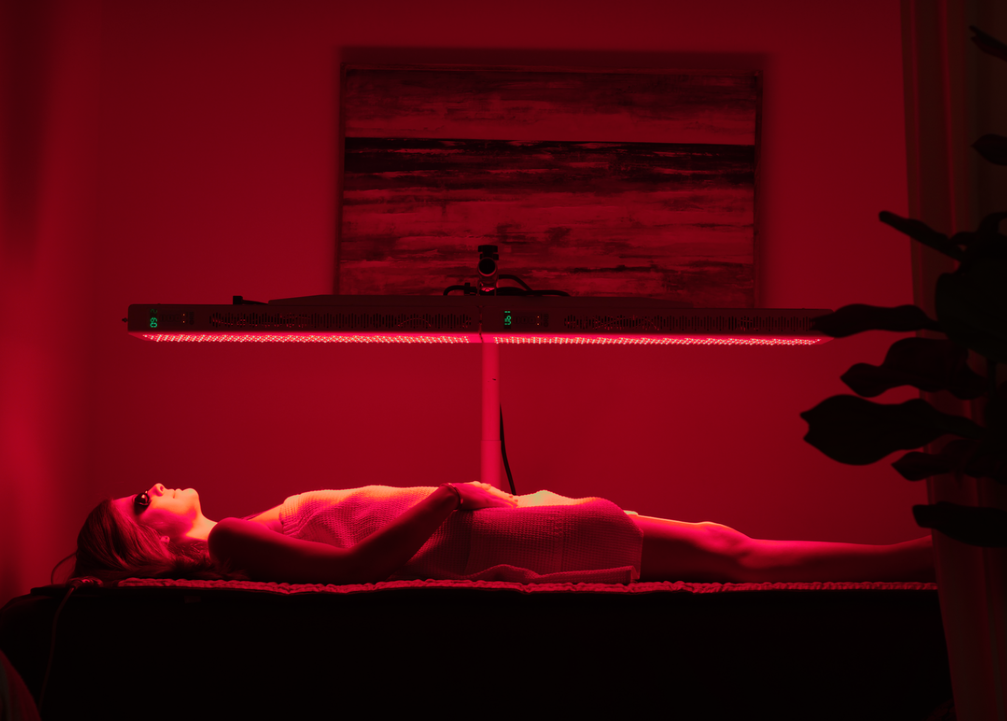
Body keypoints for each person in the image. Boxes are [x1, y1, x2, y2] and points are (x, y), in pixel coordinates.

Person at [71, 482, 935, 585]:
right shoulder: (231, 545)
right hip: (491, 540)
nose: (152, 484)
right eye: (137, 502)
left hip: (495, 530)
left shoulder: (242, 532)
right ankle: (916, 565)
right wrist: (446, 496)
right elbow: (356, 570)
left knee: (719, 540)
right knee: (726, 551)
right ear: (150, 543)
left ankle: (912, 561)